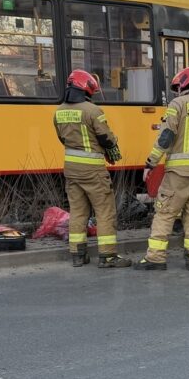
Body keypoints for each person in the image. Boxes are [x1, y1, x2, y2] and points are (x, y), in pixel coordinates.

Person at [137, 67, 189, 271]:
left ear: (184, 85)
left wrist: (151, 162)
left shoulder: (178, 104)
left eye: (177, 88)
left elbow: (166, 136)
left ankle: (156, 258)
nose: (176, 92)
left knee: (165, 212)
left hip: (178, 172)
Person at [52, 69, 132, 268]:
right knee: (105, 211)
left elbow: (62, 138)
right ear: (86, 89)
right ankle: (107, 256)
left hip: (71, 168)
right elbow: (106, 137)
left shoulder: (59, 111)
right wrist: (113, 149)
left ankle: (78, 255)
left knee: (78, 212)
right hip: (93, 170)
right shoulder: (93, 111)